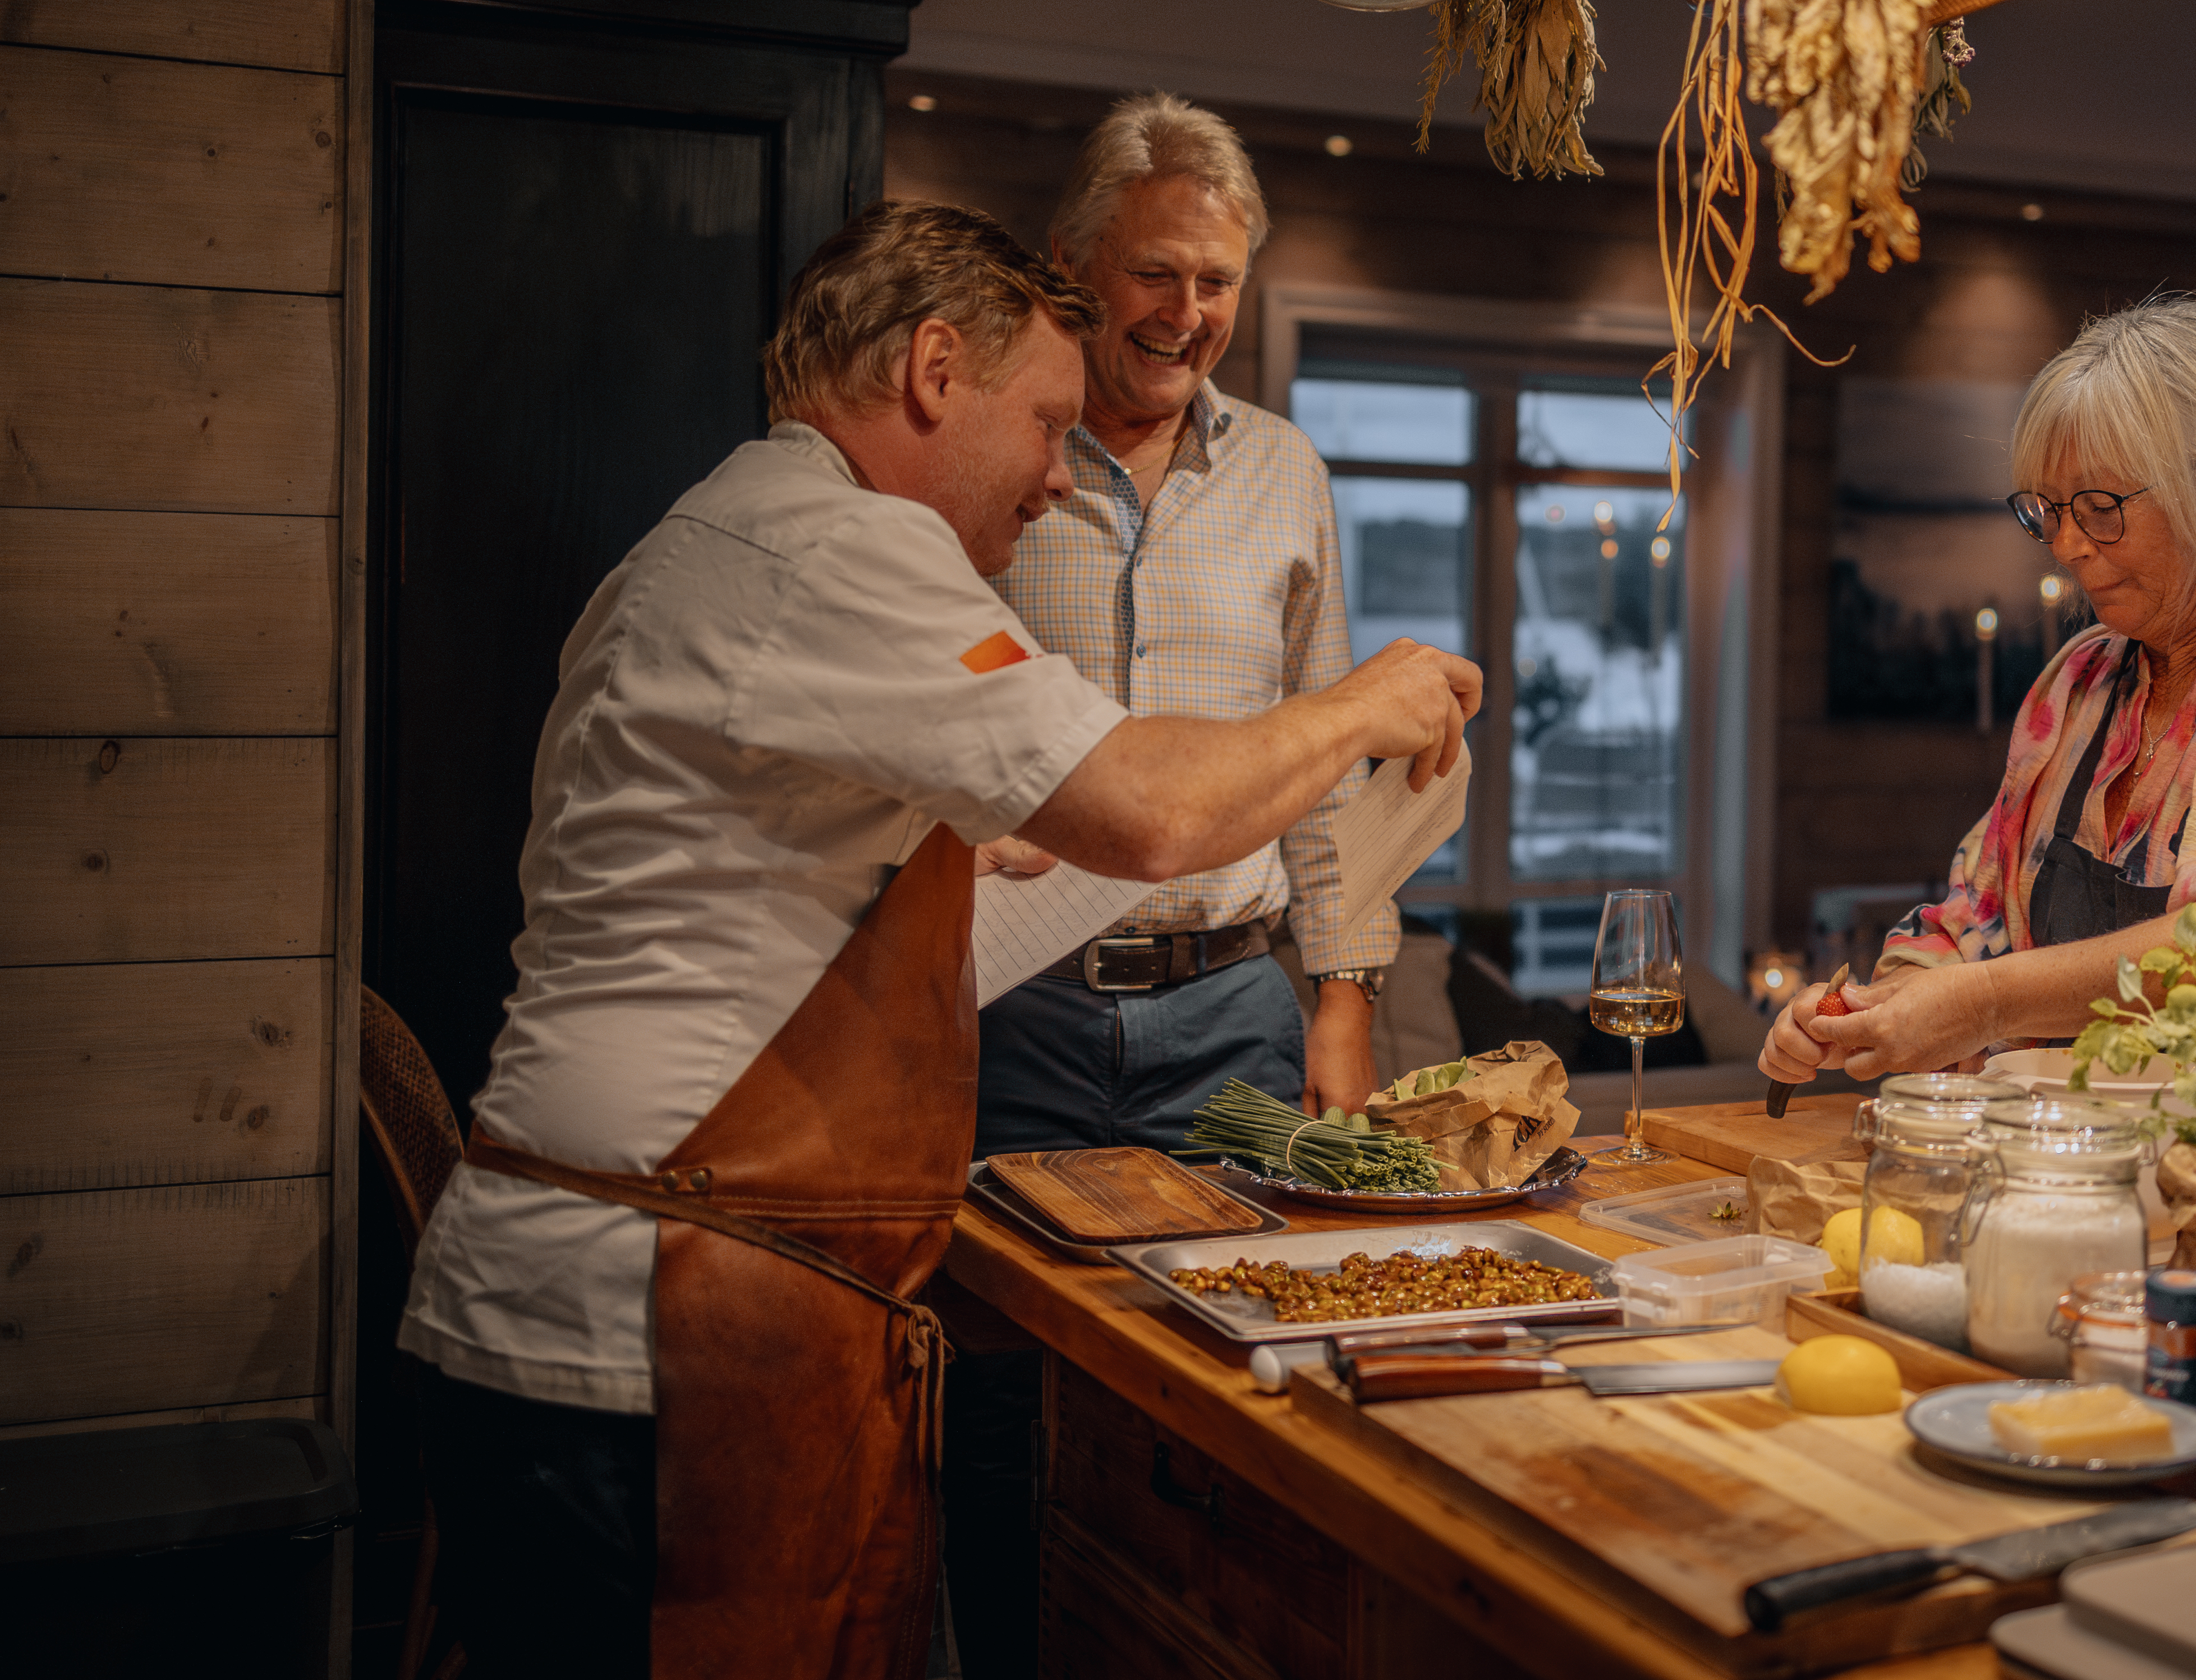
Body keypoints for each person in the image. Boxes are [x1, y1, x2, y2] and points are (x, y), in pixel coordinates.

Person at [396, 200, 1477, 1678]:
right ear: (930, 370)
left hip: (591, 1299)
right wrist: (1357, 707)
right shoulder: (841, 551)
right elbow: (1150, 813)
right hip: (647, 1326)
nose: (1051, 480)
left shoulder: (711, 535)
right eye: (1043, 422)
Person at [1758, 296, 2196, 1099]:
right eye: (2048, 512)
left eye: (2101, 509)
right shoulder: (2080, 682)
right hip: (2078, 1165)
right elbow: (1975, 922)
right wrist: (1866, 1011)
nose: (2066, 546)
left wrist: (1983, 1005)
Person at [969, 92, 1391, 1147]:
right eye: (1155, 273)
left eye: (1218, 282)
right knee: (1003, 1307)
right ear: (1072, 261)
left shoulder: (1284, 468)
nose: (1187, 312)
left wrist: (1343, 1001)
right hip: (1009, 1006)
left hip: (1232, 1014)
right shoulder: (986, 465)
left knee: (1234, 1301)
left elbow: (1329, 770)